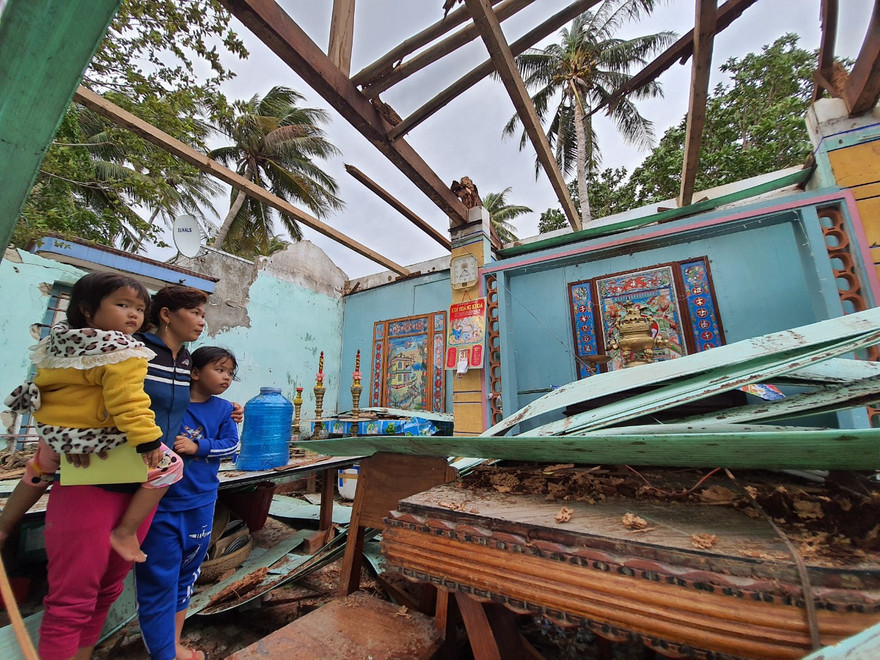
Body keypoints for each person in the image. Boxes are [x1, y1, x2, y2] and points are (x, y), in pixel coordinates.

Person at [0, 272, 184, 660]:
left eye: (139, 309)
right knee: (72, 600)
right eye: (123, 306)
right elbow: (126, 402)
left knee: (107, 590)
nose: (134, 315)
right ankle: (125, 533)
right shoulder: (123, 354)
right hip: (90, 481)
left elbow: (47, 397)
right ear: (87, 310)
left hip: (127, 479)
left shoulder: (61, 350)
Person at [135, 347, 240, 660]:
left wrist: (198, 446)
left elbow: (232, 446)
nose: (226, 378)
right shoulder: (169, 405)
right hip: (161, 504)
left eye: (230, 373)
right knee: (158, 580)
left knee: (185, 576)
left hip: (201, 503)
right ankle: (163, 652)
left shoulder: (223, 410)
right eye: (219, 370)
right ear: (194, 372)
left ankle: (174, 645)